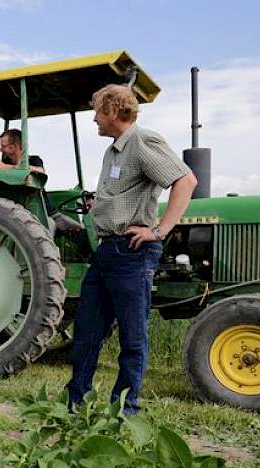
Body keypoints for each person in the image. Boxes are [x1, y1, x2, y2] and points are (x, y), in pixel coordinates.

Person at [66, 84, 197, 416]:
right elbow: (125, 192)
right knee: (86, 331)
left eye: (97, 110)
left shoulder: (142, 141)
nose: (94, 118)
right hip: (107, 251)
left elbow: (186, 181)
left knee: (132, 336)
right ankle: (75, 400)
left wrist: (159, 230)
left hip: (131, 253)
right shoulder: (114, 151)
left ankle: (125, 409)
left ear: (112, 110)